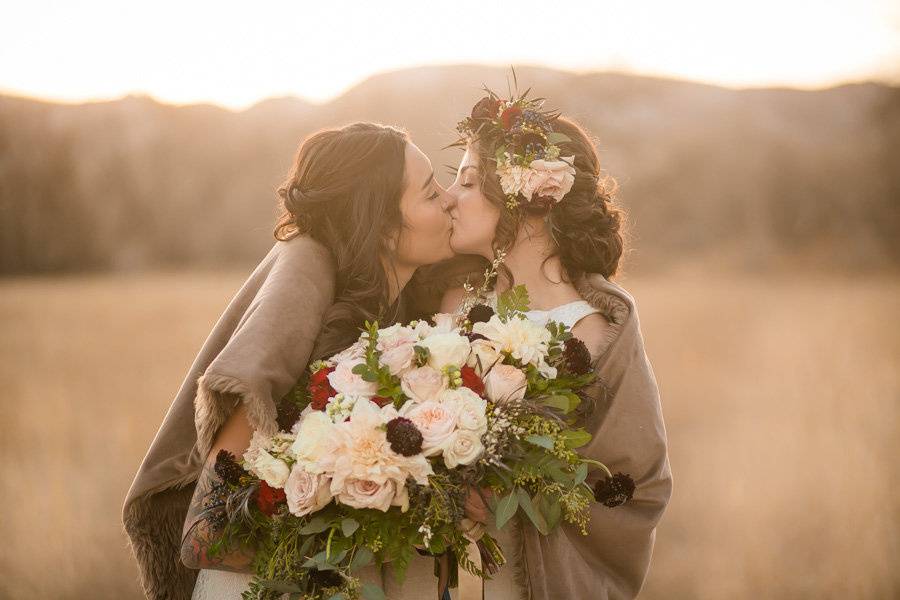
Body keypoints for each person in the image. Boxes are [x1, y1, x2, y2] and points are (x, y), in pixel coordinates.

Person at [122, 121, 455, 600]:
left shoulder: (405, 312)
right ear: (381, 226)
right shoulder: (305, 289)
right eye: (430, 193)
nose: (448, 201)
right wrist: (369, 528)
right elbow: (206, 534)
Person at [406, 91, 674, 599]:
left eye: (466, 181)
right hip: (421, 567)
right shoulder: (450, 294)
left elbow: (630, 478)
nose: (448, 196)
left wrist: (506, 484)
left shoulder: (589, 333)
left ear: (524, 198)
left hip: (515, 573)